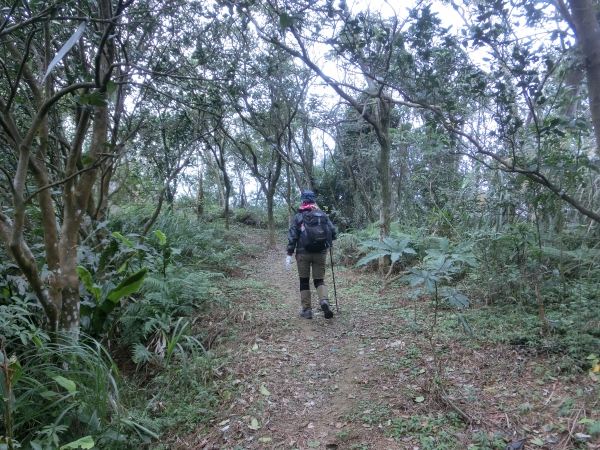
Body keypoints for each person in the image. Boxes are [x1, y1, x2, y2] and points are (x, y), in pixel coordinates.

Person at [286, 190, 337, 319]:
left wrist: (289, 253)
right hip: (320, 253)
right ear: (314, 200)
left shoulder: (299, 216)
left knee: (304, 280)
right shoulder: (322, 215)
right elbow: (333, 232)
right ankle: (324, 301)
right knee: (319, 280)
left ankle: (307, 310)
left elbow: (293, 236)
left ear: (303, 200)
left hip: (303, 253)